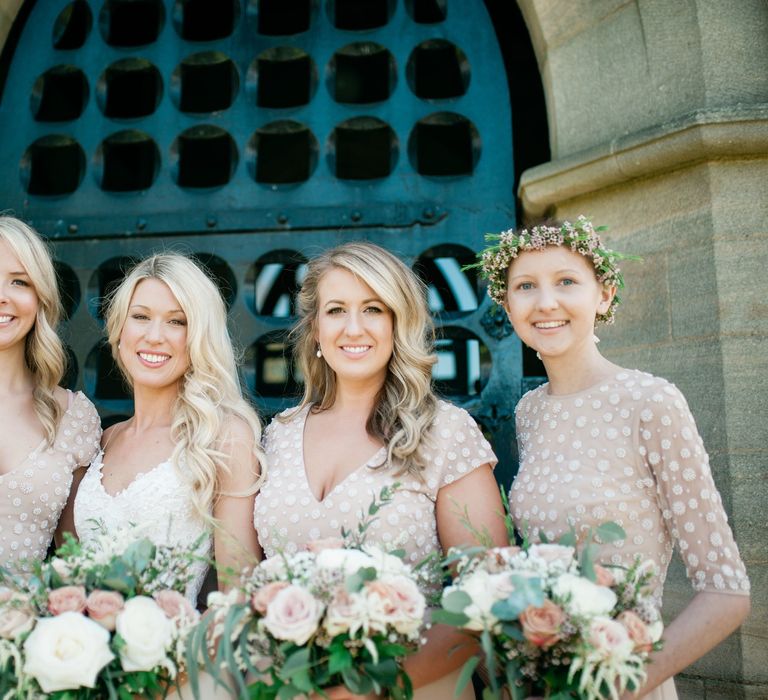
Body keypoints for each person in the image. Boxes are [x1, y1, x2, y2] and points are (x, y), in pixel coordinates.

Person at [473, 216, 750, 699]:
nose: (546, 302)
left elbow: (727, 592)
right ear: (507, 304)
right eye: (526, 286)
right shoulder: (530, 411)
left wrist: (624, 683)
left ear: (603, 295)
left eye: (566, 282)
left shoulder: (651, 403)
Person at [254, 241, 508, 699]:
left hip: (419, 685)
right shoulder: (278, 434)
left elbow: (487, 594)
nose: (354, 328)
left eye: (373, 309)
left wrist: (362, 691)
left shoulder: (445, 431)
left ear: (398, 321)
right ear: (314, 328)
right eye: (336, 310)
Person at [73, 253, 264, 603]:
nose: (155, 336)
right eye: (141, 317)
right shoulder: (104, 441)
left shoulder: (224, 437)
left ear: (199, 336)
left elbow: (238, 593)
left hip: (174, 650)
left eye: (177, 322)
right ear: (119, 329)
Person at [0, 216, 101, 571]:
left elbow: (74, 559)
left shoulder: (72, 415)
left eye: (18, 281)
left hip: (23, 622)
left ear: (39, 295)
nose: (2, 297)